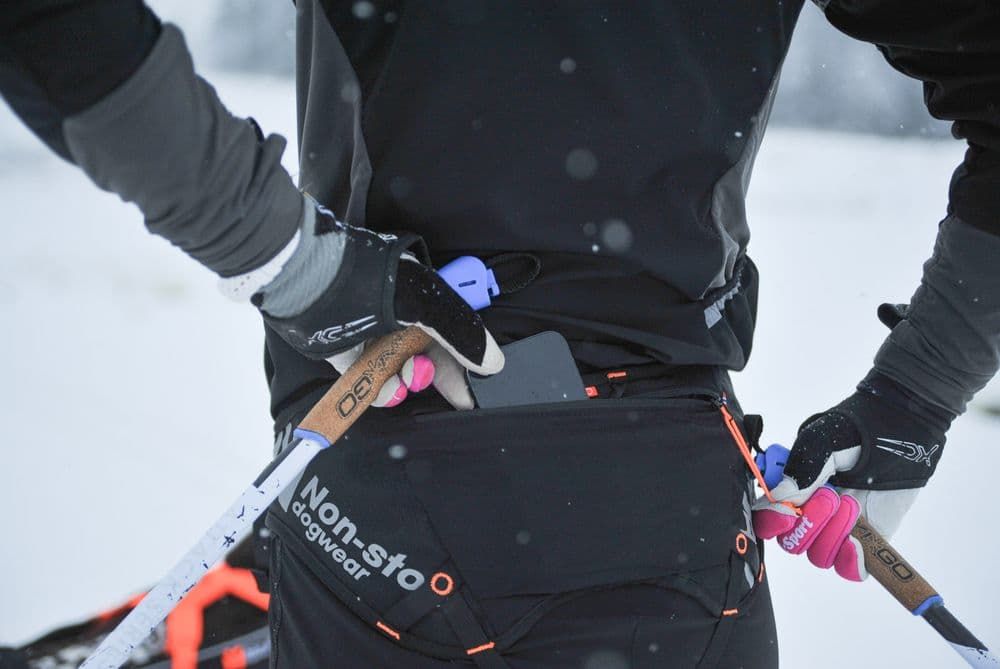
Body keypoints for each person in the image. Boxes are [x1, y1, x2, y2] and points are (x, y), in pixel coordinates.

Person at [2, 1, 998, 667]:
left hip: (393, 465)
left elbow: (53, 28)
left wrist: (284, 255)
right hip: (674, 517)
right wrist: (913, 400)